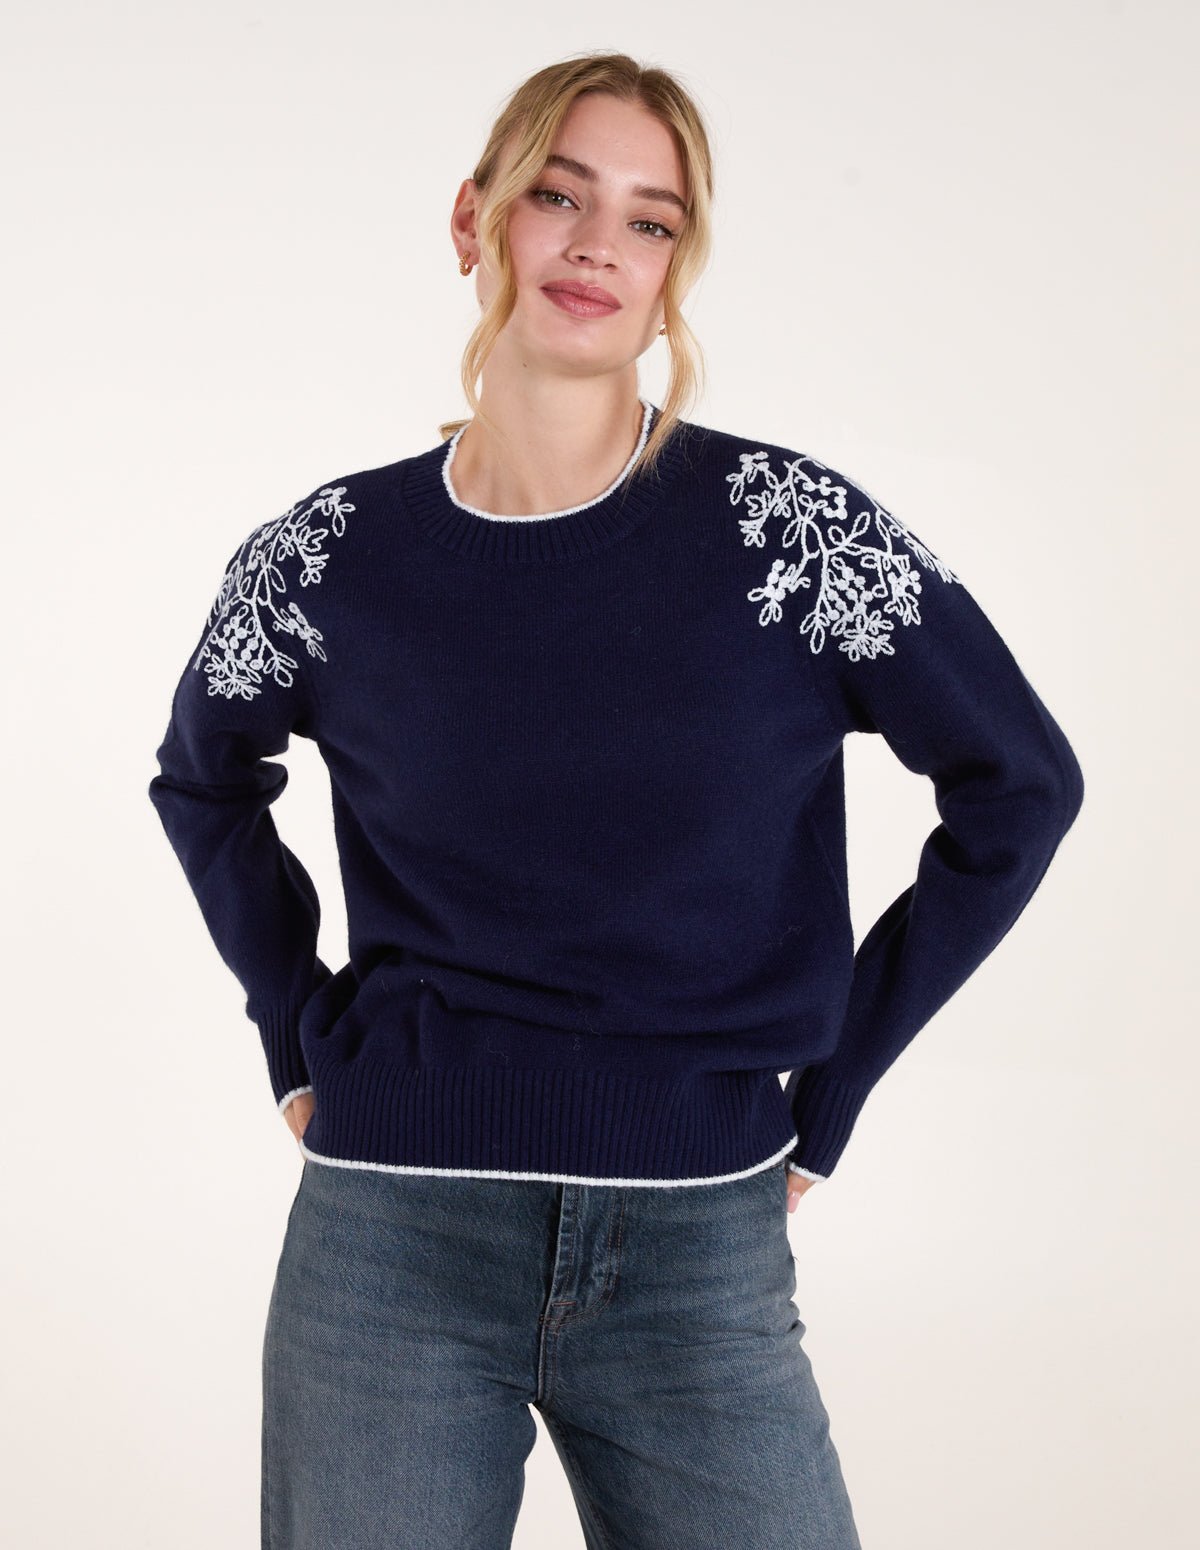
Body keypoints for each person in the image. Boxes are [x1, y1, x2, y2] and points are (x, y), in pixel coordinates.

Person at [147, 50, 1085, 1550]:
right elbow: (202, 778)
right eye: (559, 196)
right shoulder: (327, 558)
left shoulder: (790, 536)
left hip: (698, 1247)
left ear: (672, 274)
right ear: (475, 217)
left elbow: (1021, 785)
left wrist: (834, 1090)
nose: (598, 245)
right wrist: (290, 1026)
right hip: (391, 1238)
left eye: (650, 221)